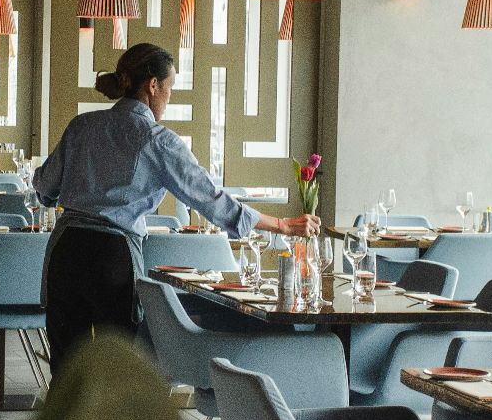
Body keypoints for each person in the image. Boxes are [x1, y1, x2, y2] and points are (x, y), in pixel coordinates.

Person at [32, 42, 316, 370]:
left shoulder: (81, 126)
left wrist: (71, 192)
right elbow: (209, 199)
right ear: (153, 85)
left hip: (65, 251)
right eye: (169, 88)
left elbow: (43, 187)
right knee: (117, 371)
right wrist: (280, 225)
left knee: (65, 369)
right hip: (112, 257)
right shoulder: (158, 140)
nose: (168, 97)